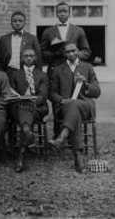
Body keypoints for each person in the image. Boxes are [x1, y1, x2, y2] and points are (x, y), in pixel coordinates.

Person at [48, 43, 100, 173]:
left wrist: (86, 84)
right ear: (64, 54)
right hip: (66, 106)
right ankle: (78, 155)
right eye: (67, 52)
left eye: (73, 51)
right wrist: (61, 100)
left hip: (85, 105)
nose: (71, 54)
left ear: (78, 51)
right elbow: (52, 93)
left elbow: (97, 92)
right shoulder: (58, 70)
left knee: (74, 105)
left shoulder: (87, 67)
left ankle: (62, 137)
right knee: (73, 108)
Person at [8, 48, 49, 172]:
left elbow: (43, 95)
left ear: (35, 58)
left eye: (31, 56)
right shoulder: (15, 74)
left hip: (37, 107)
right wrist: (20, 98)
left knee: (26, 109)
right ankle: (26, 135)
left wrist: (33, 101)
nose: (29, 58)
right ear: (22, 58)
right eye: (26, 56)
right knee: (22, 108)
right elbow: (11, 93)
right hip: (18, 107)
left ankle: (25, 136)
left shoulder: (42, 74)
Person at [40, 2, 91, 76]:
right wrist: (54, 54)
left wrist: (74, 54)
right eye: (60, 11)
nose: (62, 14)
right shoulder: (48, 31)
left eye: (65, 11)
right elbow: (42, 52)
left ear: (69, 13)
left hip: (74, 69)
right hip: (54, 69)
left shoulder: (78, 30)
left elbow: (86, 52)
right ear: (56, 13)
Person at [0, 11, 42, 75]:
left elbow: (38, 59)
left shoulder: (32, 38)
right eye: (15, 21)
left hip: (25, 73)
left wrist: (37, 75)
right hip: (8, 72)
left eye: (20, 21)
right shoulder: (4, 39)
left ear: (24, 23)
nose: (17, 23)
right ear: (11, 23)